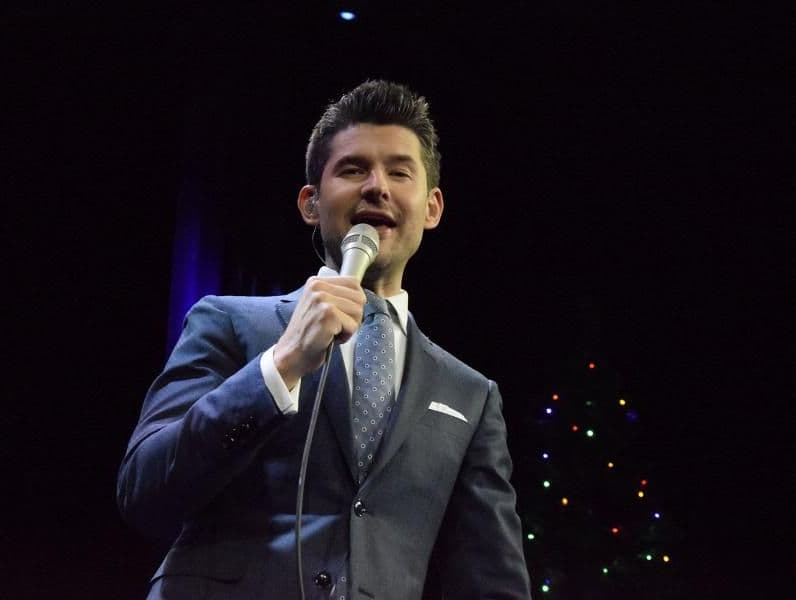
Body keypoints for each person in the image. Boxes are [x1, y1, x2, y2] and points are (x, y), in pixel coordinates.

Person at [117, 80, 531, 599]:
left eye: (399, 172)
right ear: (310, 203)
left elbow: (491, 579)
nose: (377, 187)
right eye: (353, 169)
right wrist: (282, 364)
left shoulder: (469, 394)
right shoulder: (226, 322)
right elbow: (145, 491)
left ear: (432, 208)